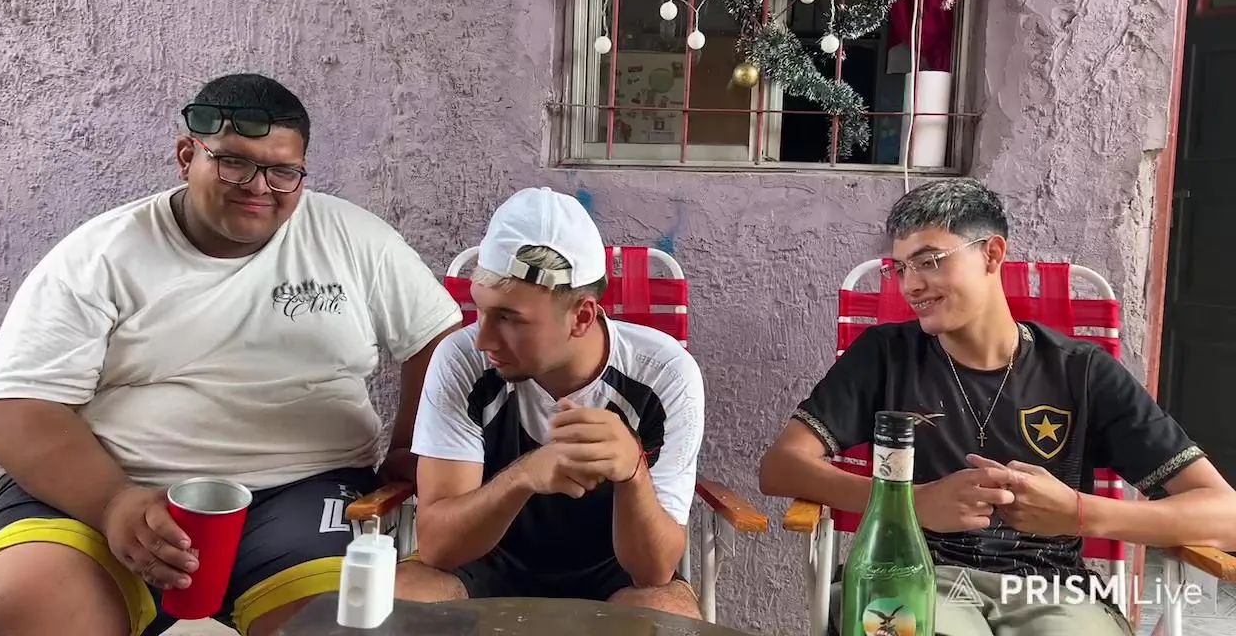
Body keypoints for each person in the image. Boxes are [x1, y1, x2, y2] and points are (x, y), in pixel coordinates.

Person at [0, 73, 464, 636]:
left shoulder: (353, 238)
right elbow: (14, 410)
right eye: (233, 163)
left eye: (283, 171)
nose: (258, 187)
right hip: (115, 482)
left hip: (304, 487)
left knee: (352, 625)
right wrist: (112, 502)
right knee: (10, 614)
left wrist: (413, 449)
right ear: (186, 156)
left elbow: (440, 338)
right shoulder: (99, 254)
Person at [758, 178, 1236, 636]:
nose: (911, 285)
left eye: (929, 261)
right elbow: (781, 467)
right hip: (914, 574)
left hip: (1050, 591)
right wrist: (913, 502)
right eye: (900, 268)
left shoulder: (1081, 372)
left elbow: (1225, 514)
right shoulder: (885, 356)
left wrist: (1079, 514)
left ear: (991, 254)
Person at [393, 186, 705, 618]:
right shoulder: (462, 359)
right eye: (481, 310)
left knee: (665, 613)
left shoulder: (663, 374)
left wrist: (633, 473)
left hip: (612, 573)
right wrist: (523, 477)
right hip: (483, 562)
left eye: (509, 319)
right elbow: (438, 548)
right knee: (397, 601)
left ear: (582, 317)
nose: (482, 339)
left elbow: (652, 571)